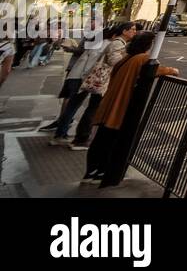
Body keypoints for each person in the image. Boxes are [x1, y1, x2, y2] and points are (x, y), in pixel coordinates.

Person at [82, 32, 178, 183]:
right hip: (120, 105)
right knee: (113, 140)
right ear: (148, 45)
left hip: (109, 102)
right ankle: (103, 172)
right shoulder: (142, 58)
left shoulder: (126, 57)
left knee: (101, 138)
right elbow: (154, 70)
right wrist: (172, 70)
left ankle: (91, 171)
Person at [71, 21, 137, 151]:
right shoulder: (118, 43)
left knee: (94, 108)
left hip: (102, 80)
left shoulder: (120, 43)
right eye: (133, 29)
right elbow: (114, 61)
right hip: (103, 81)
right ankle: (81, 139)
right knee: (94, 109)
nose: (134, 32)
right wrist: (129, 56)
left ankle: (83, 136)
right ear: (124, 31)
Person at [42, 24, 106, 143]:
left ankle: (61, 132)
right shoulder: (99, 45)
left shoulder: (95, 41)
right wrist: (85, 81)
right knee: (75, 104)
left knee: (72, 104)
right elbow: (88, 65)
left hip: (77, 75)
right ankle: (63, 132)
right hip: (81, 78)